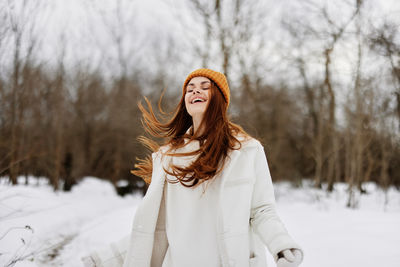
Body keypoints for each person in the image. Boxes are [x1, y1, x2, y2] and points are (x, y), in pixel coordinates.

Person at [82, 68, 304, 267]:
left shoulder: (247, 151)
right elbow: (156, 230)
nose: (195, 91)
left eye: (205, 87)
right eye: (190, 89)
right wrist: (105, 259)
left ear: (220, 100)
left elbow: (262, 210)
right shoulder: (169, 157)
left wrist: (280, 244)